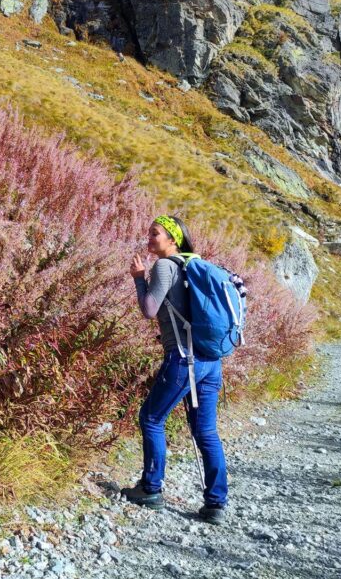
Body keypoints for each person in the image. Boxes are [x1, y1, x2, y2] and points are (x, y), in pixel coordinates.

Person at [123, 214, 228, 524]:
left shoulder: (166, 267)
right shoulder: (191, 266)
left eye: (155, 233)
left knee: (151, 418)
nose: (149, 238)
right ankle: (215, 503)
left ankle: (150, 488)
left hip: (182, 360)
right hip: (210, 361)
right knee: (205, 431)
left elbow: (149, 310)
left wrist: (139, 279)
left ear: (173, 239)